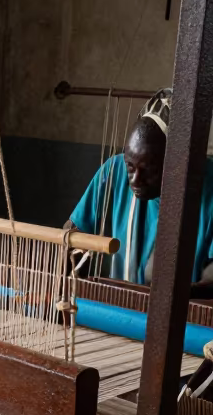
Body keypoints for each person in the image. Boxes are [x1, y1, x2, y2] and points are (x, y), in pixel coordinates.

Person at [69, 88, 213, 294]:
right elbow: (73, 235)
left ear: (180, 164)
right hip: (120, 308)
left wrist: (168, 300)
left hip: (188, 319)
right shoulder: (114, 171)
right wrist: (70, 291)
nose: (135, 180)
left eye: (150, 170)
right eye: (131, 166)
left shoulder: (207, 188)